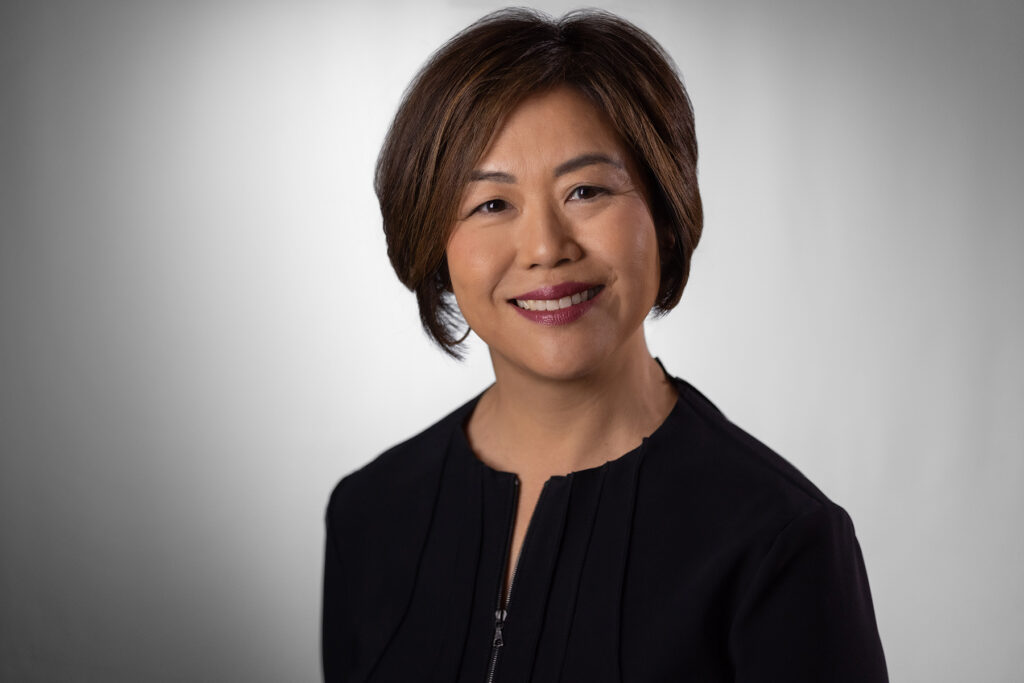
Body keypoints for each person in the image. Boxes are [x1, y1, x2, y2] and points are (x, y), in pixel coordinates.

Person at [322, 8, 888, 682]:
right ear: (434, 243)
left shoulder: (780, 542)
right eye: (492, 204)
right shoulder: (370, 513)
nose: (545, 247)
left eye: (585, 191)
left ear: (665, 215)